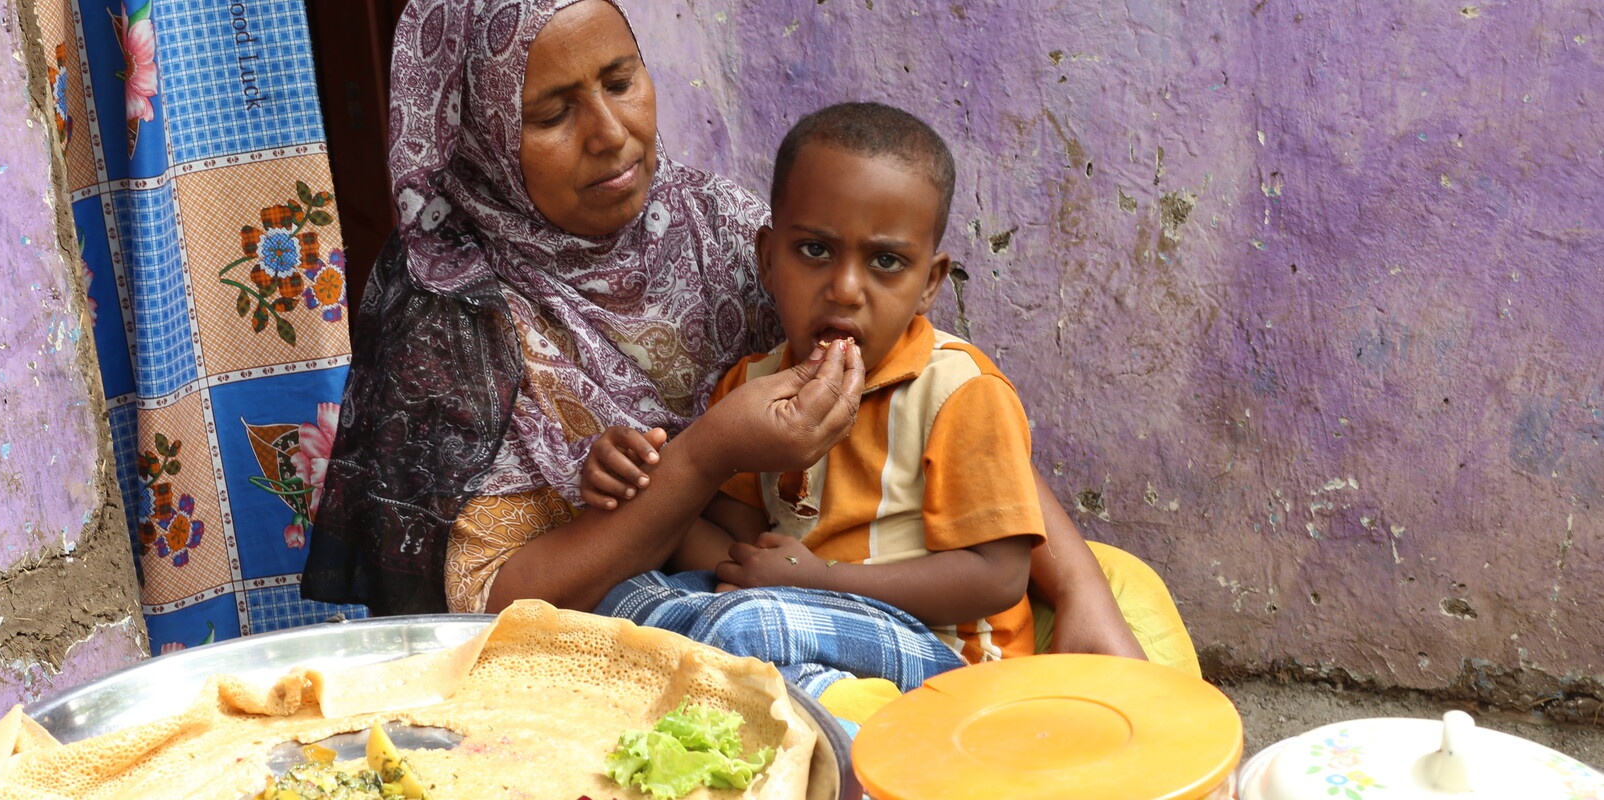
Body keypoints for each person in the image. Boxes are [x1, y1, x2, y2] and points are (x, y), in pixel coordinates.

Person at [304, 0, 1192, 685]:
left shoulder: (717, 230)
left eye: (620, 79)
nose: (611, 134)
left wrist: (1076, 589)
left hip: (789, 574)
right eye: (552, 113)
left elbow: (920, 392)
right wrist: (693, 462)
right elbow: (486, 607)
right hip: (601, 620)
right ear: (479, 135)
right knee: (739, 656)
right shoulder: (450, 316)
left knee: (1128, 593)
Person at [587, 101, 1050, 676]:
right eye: (814, 251)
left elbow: (999, 577)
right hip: (797, 616)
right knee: (619, 604)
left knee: (745, 628)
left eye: (885, 261)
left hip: (942, 652)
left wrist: (818, 580)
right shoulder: (754, 389)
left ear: (929, 284)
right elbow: (738, 546)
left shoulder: (960, 390)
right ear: (767, 260)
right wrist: (641, 481)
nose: (846, 289)